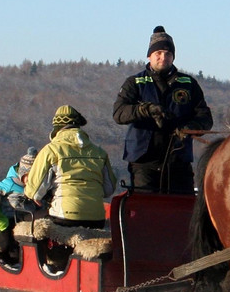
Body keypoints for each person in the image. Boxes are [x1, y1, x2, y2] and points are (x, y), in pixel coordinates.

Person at [113, 25, 213, 193]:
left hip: (178, 160)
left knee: (180, 211)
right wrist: (145, 110)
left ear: (173, 57)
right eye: (158, 53)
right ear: (149, 56)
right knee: (146, 210)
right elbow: (119, 113)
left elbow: (205, 118)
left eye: (168, 54)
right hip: (144, 161)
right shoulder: (135, 83)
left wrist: (190, 128)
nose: (163, 58)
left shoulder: (188, 84)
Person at [24, 105, 116, 269]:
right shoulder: (99, 152)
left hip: (65, 217)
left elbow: (34, 191)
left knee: (46, 230)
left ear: (57, 128)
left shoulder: (51, 150)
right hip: (96, 217)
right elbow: (109, 189)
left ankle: (55, 266)